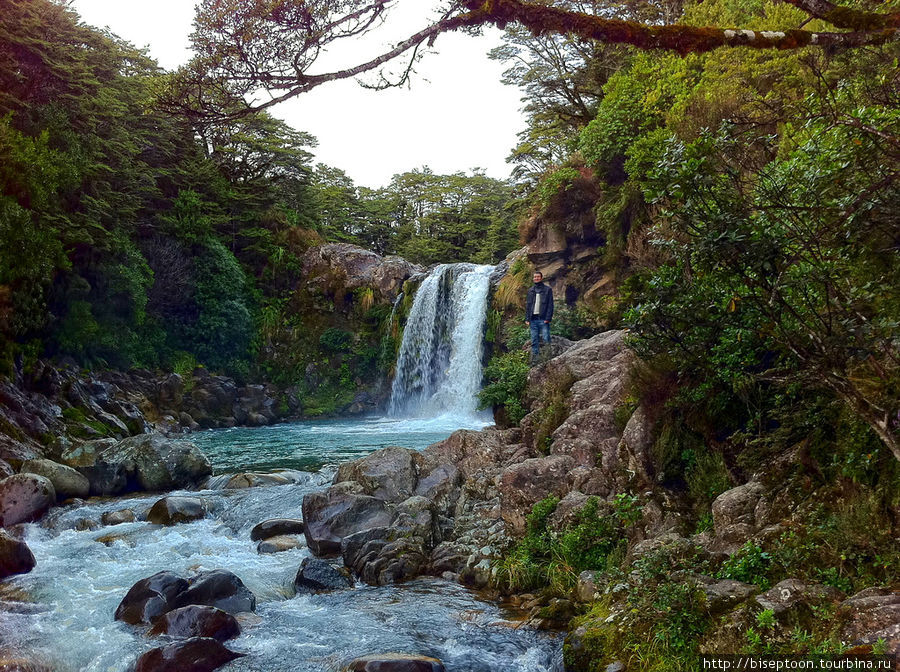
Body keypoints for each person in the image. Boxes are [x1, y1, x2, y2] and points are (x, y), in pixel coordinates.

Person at [525, 271, 553, 363]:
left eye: (538, 277)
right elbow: (528, 306)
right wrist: (527, 318)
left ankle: (547, 358)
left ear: (541, 278)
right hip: (533, 319)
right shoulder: (531, 290)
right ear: (533, 279)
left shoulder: (547, 290)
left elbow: (550, 305)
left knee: (546, 338)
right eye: (535, 277)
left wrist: (548, 318)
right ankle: (535, 360)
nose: (536, 278)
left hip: (543, 319)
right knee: (534, 340)